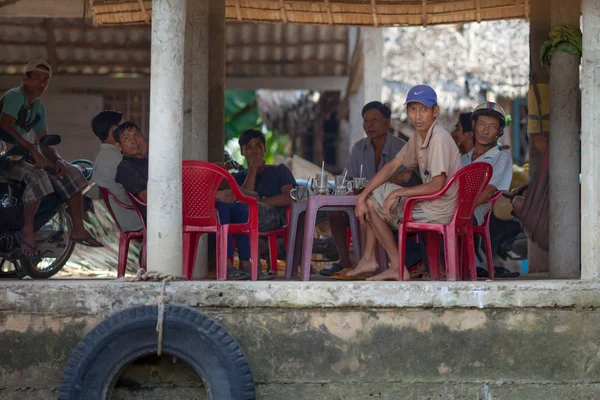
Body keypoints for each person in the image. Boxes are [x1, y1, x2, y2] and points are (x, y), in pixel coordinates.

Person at [348, 85, 462, 281]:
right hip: (430, 204)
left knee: (374, 201)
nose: (417, 116)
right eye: (412, 109)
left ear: (435, 111)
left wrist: (397, 194)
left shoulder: (439, 138)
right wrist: (363, 194)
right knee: (371, 198)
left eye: (423, 109)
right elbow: (393, 166)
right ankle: (381, 262)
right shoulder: (420, 136)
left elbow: (437, 185)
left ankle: (390, 264)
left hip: (439, 209)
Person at [0, 59, 103, 256]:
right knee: (38, 176)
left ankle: (78, 229)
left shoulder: (38, 108)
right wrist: (32, 149)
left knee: (71, 171)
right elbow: (6, 124)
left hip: (20, 157)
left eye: (45, 80)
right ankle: (27, 229)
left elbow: (45, 141)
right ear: (25, 79)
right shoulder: (15, 96)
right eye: (37, 78)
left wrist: (57, 160)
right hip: (4, 157)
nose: (42, 83)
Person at [323, 101, 422, 278]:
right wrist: (352, 190)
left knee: (368, 208)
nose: (369, 125)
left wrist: (370, 189)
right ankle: (345, 260)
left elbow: (407, 179)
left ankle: (366, 260)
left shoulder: (400, 148)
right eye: (366, 120)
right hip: (361, 200)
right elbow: (347, 179)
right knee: (334, 212)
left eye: (374, 120)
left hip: (391, 202)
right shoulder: (358, 148)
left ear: (387, 123)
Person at [232, 129, 296, 232]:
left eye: (258, 146)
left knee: (244, 209)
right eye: (248, 148)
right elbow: (244, 200)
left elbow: (289, 197)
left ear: (264, 149)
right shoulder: (236, 177)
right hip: (244, 213)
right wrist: (252, 169)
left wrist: (258, 202)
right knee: (234, 209)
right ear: (241, 152)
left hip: (274, 216)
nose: (254, 152)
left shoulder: (280, 170)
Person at [91, 110, 143, 233]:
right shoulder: (119, 159)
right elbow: (143, 192)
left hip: (129, 216)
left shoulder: (105, 156)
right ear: (113, 131)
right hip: (136, 218)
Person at [462, 102, 513, 226]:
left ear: (499, 131)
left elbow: (488, 192)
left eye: (493, 126)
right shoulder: (463, 158)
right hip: (448, 210)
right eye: (482, 124)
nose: (485, 131)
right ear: (474, 125)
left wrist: (460, 209)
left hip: (472, 214)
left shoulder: (502, 158)